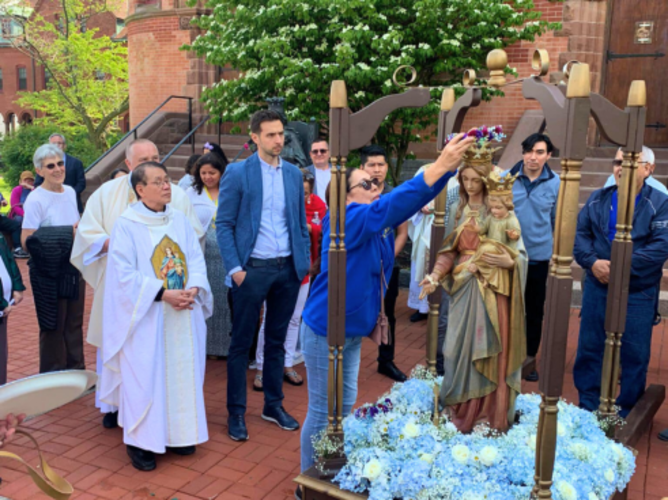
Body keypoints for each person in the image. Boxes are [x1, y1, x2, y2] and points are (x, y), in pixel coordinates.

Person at [298, 133, 473, 477]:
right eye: (367, 183)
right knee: (322, 410)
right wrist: (439, 166)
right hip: (323, 329)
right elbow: (393, 204)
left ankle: (332, 469)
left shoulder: (372, 226)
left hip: (350, 333)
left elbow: (402, 205)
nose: (375, 185)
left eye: (376, 182)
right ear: (344, 195)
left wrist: (448, 173)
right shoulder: (348, 218)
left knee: (344, 407)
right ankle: (310, 480)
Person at [71, 139, 203, 430]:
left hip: (167, 292)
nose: (151, 162)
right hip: (121, 288)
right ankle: (113, 405)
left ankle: (162, 415)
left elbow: (193, 237)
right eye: (143, 159)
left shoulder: (177, 196)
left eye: (156, 157)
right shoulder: (107, 194)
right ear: (129, 164)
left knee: (158, 355)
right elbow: (87, 234)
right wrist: (119, 245)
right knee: (118, 344)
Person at [98, 162, 212, 472]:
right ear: (140, 189)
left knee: (182, 374)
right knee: (146, 377)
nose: (167, 186)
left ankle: (180, 434)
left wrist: (194, 287)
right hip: (147, 317)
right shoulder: (127, 224)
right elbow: (122, 275)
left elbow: (195, 259)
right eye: (158, 182)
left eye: (168, 180)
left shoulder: (179, 220)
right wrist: (162, 294)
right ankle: (141, 443)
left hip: (183, 312)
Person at [419, 135, 528, 434]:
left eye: (474, 179)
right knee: (454, 349)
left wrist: (509, 263)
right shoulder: (461, 210)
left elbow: (519, 255)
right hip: (463, 289)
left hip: (491, 294)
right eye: (464, 178)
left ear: (485, 179)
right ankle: (458, 406)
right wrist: (434, 276)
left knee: (486, 350)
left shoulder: (501, 211)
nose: (468, 184)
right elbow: (450, 250)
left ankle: (485, 415)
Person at [217, 109, 310, 442]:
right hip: (251, 270)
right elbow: (224, 224)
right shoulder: (237, 173)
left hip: (287, 270)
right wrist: (235, 270)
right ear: (254, 137)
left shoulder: (293, 175)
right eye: (270, 134)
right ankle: (236, 412)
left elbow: (298, 223)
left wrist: (303, 263)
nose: (278, 140)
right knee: (241, 344)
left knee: (277, 341)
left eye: (281, 133)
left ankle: (273, 404)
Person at [573, 151, 668, 418]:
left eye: (630, 162)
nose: (621, 168)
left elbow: (660, 246)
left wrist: (618, 268)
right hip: (597, 286)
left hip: (637, 290)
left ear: (648, 169)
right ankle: (588, 406)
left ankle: (628, 411)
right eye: (617, 162)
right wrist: (592, 263)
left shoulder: (660, 203)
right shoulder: (598, 199)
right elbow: (581, 235)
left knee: (634, 352)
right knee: (590, 346)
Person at [253, 170, 326, 391]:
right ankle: (260, 367)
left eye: (305, 193)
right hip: (277, 268)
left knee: (294, 319)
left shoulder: (319, 205)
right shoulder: (277, 205)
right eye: (298, 192)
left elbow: (324, 230)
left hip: (303, 269)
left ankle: (286, 364)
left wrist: (311, 229)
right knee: (270, 319)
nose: (301, 197)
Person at [22, 144, 85, 374]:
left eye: (60, 164)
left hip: (73, 266)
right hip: (48, 271)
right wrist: (67, 233)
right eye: (51, 166)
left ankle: (76, 372)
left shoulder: (70, 192)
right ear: (39, 171)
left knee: (74, 323)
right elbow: (26, 241)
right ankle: (52, 377)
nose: (58, 169)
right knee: (53, 325)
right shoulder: (35, 200)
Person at [503, 133, 560, 382]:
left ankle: (529, 358)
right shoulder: (506, 179)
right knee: (504, 307)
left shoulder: (557, 182)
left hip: (538, 258)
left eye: (539, 152)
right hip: (508, 256)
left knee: (533, 311)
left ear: (548, 155)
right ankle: (503, 356)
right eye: (528, 151)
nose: (532, 157)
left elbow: (558, 220)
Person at [358, 145, 410, 382]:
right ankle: (345, 358)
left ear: (387, 168)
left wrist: (387, 260)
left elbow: (402, 232)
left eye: (380, 165)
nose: (376, 170)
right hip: (358, 266)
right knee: (352, 309)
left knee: (387, 314)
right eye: (371, 165)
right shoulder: (354, 193)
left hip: (387, 268)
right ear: (362, 168)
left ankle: (385, 361)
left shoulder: (394, 195)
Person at [186, 153, 232, 357]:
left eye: (212, 172)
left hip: (227, 252)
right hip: (202, 251)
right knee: (205, 294)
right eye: (203, 173)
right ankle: (206, 347)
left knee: (225, 299)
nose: (208, 177)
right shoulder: (191, 193)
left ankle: (226, 347)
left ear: (222, 172)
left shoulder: (231, 191)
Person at [407, 165, 434, 323]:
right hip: (425, 223)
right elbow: (413, 194)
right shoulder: (426, 169)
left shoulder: (465, 172)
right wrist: (420, 208)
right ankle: (423, 306)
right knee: (422, 262)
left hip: (449, 224)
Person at [34, 133, 86, 213]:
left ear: (64, 145)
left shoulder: (76, 162)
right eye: (53, 144)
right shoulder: (44, 163)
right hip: (49, 205)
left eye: (59, 143)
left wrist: (67, 195)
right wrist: (53, 195)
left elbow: (81, 183)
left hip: (73, 204)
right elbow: (38, 183)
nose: (57, 145)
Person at [0, 235, 26, 386]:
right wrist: (2, 303)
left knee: (2, 355)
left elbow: (10, 261)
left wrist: (17, 286)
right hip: (3, 306)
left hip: (4, 309)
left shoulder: (1, 238)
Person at [603, 147, 668, 195]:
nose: (622, 167)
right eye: (618, 162)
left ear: (647, 168)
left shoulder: (660, 193)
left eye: (630, 163)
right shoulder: (612, 179)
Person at [305, 139, 331, 204]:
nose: (319, 154)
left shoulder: (340, 171)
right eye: (315, 151)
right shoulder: (304, 173)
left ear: (329, 153)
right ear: (310, 154)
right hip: (313, 213)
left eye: (323, 151)